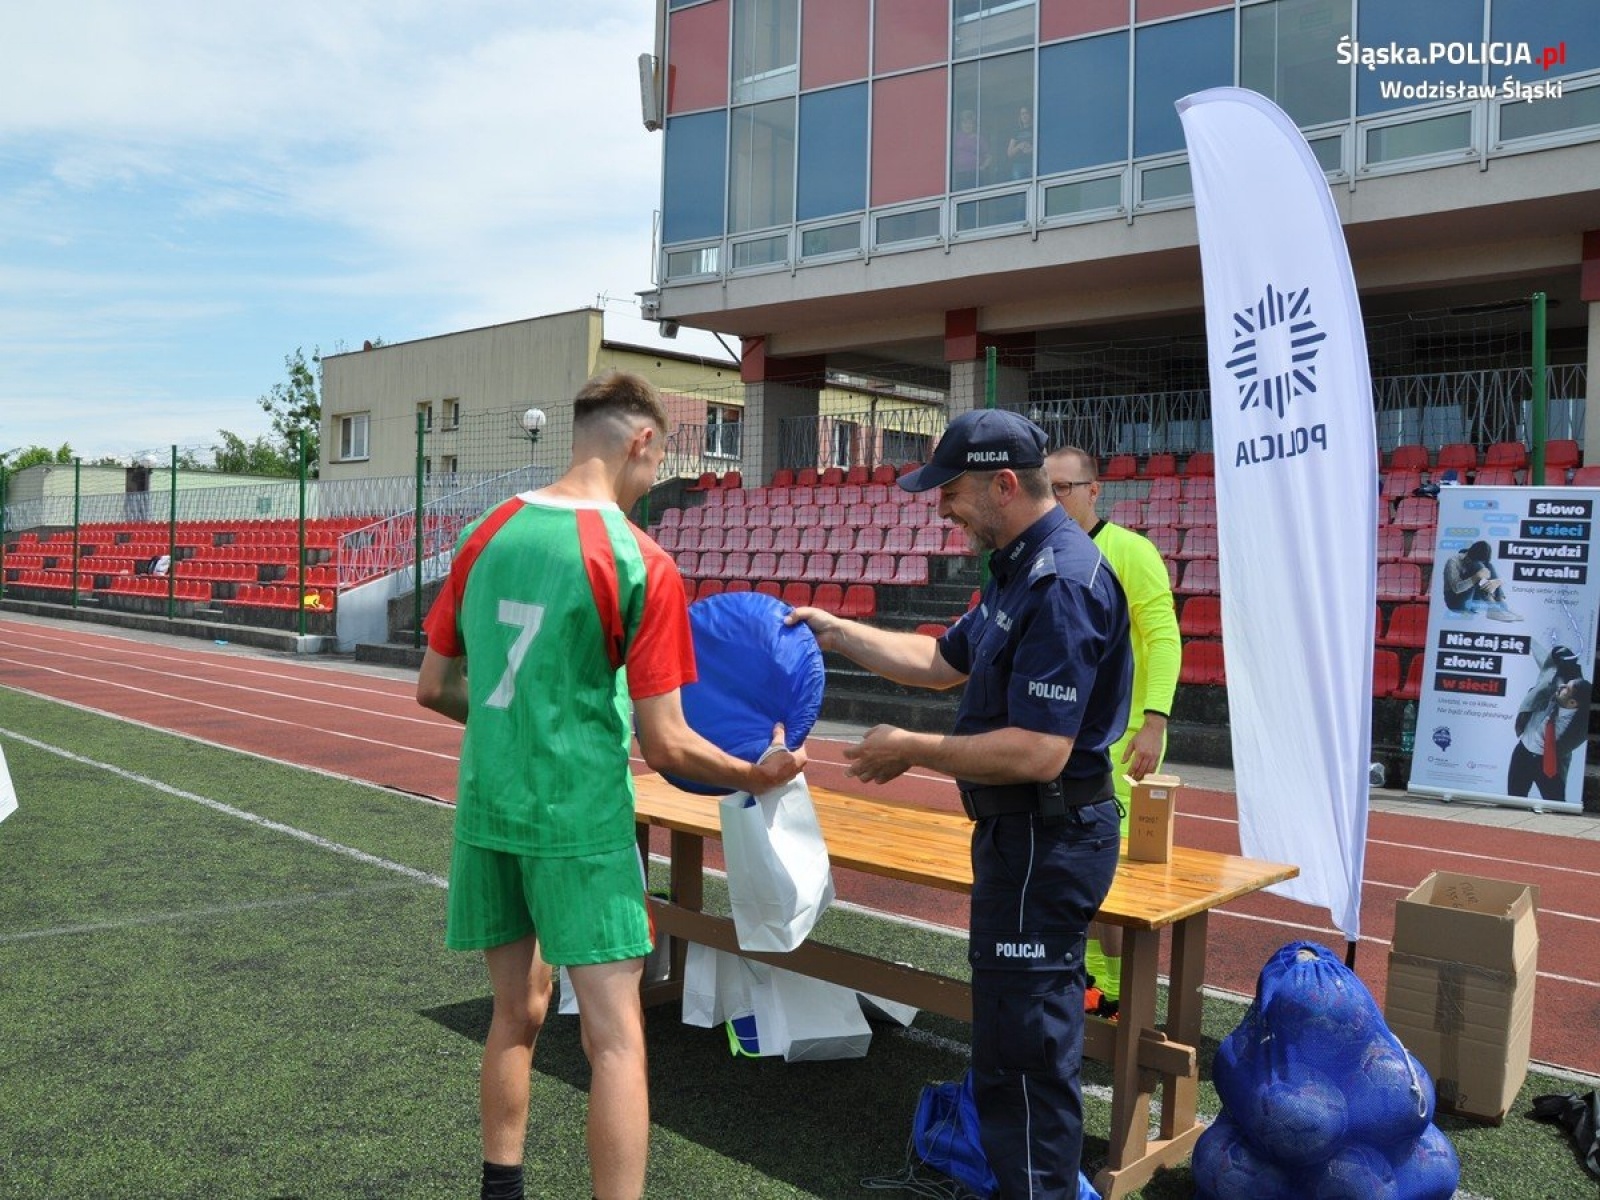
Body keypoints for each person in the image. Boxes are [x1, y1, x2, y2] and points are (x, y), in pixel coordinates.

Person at [416, 370, 805, 1200]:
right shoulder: (638, 557)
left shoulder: (486, 531)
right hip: (581, 823)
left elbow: (434, 686)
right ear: (641, 441)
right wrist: (755, 773)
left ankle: (499, 1190)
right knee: (617, 1040)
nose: (652, 480)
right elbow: (666, 743)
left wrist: (517, 730)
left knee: (514, 1014)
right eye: (656, 463)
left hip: (488, 808)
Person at [787, 408, 1131, 1199]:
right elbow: (941, 661)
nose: (942, 507)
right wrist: (838, 632)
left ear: (1003, 484)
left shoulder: (1061, 582)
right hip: (1023, 840)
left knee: (1028, 1058)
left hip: (1048, 839)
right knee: (1008, 1047)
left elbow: (1040, 751)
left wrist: (913, 748)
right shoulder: (1019, 568)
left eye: (951, 491)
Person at [1046, 446, 1181, 1019]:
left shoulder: (1131, 552)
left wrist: (1154, 722)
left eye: (1064, 487)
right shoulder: (1044, 553)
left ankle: (1124, 993)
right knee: (1068, 863)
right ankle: (1091, 983)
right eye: (1046, 487)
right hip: (1059, 740)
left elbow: (1164, 637)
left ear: (1093, 491)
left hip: (1122, 742)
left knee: (1112, 871)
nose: (1054, 498)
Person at [1507, 637, 1592, 803]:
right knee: (1513, 801)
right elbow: (1547, 663)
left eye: (1566, 689)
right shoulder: (1556, 685)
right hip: (1523, 752)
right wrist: (1529, 641)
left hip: (1549, 763)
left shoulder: (1581, 724)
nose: (1561, 687)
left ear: (1572, 703)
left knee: (1557, 806)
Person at [1440, 539, 1522, 621]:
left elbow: (1497, 578)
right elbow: (1456, 588)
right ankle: (1493, 609)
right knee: (1478, 566)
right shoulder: (1453, 561)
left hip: (1473, 602)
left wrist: (1497, 582)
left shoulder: (1480, 559)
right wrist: (1476, 577)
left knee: (1489, 566)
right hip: (1455, 602)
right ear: (1469, 555)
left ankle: (1501, 605)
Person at [951, 108, 990, 190]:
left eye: (970, 123)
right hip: (959, 174)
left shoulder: (978, 138)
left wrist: (982, 168)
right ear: (961, 124)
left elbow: (988, 156)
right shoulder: (956, 137)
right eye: (965, 123)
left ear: (974, 125)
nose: (967, 125)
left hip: (974, 174)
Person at [1005, 104, 1033, 181]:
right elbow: (1009, 153)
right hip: (1018, 165)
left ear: (1030, 114)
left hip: (1032, 163)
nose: (1024, 116)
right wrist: (1019, 146)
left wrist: (1031, 149)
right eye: (1022, 114)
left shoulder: (1036, 128)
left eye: (1026, 113)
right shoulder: (1016, 132)